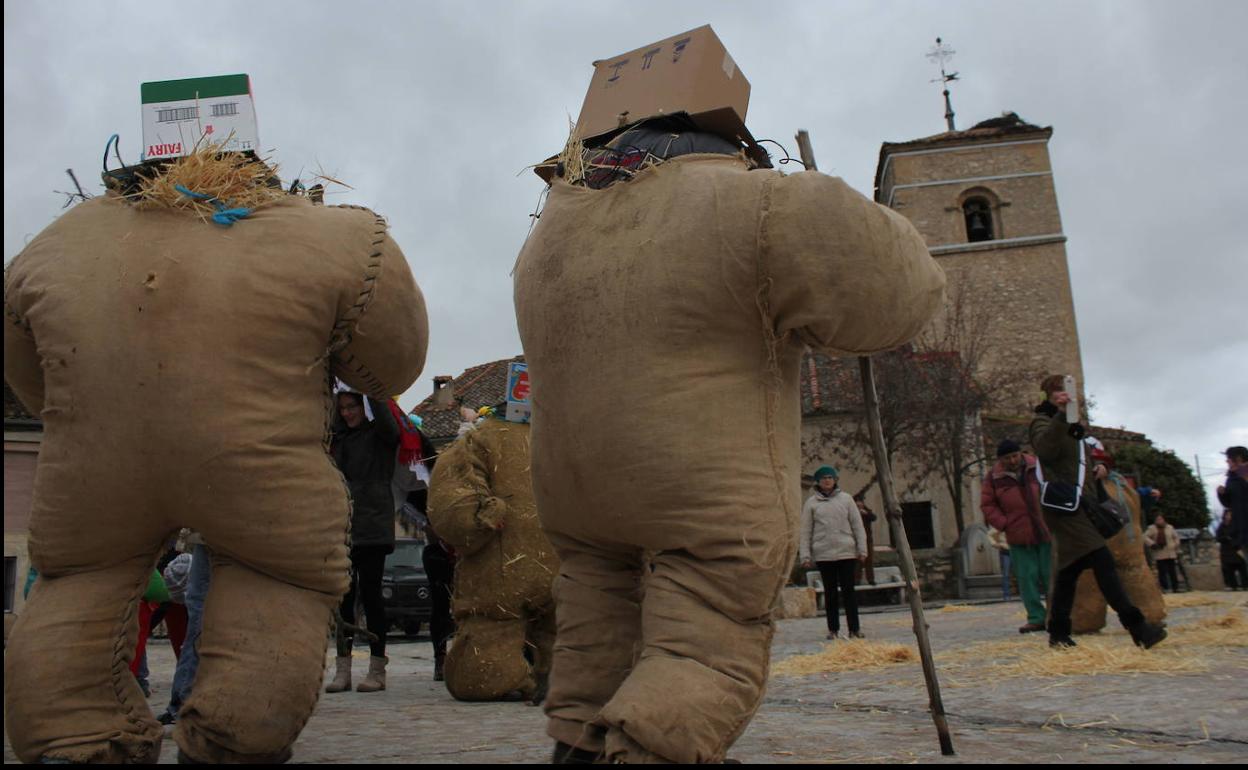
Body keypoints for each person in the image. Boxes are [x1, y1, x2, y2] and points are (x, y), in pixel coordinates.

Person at [514, 75, 944, 761]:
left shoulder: (547, 240)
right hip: (699, 482)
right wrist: (850, 213)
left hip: (574, 487)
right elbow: (897, 295)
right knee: (708, 627)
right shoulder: (758, 203)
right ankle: (649, 747)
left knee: (597, 620)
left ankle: (579, 742)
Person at [3, 113, 427, 762]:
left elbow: (31, 377)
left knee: (79, 581)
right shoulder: (335, 234)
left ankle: (75, 738)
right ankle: (233, 739)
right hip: (255, 466)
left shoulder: (58, 242)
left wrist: (100, 416)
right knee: (275, 577)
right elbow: (389, 367)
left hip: (98, 471)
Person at [427, 404, 558, 704]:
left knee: (486, 652)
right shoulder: (563, 436)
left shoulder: (480, 439)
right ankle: (562, 673)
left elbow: (454, 509)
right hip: (563, 563)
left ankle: (508, 677)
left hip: (500, 570)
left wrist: (479, 521)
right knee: (564, 630)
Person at [1028, 375, 1166, 649]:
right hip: (1063, 507)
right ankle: (1138, 629)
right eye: (1056, 391)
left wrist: (1101, 469)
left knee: (1068, 572)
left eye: (1065, 390)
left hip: (1080, 504)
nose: (1062, 395)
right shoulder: (1042, 422)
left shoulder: (1072, 424)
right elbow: (1045, 449)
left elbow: (1080, 458)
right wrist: (1059, 416)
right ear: (1047, 396)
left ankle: (1058, 633)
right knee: (1103, 562)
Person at [326, 390, 402, 694]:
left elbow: (389, 423)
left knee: (371, 598)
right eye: (342, 408)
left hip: (373, 528)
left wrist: (370, 387)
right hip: (344, 527)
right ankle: (342, 669)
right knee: (344, 599)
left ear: (363, 406)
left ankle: (376, 668)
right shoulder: (339, 440)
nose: (347, 413)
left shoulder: (380, 437)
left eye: (352, 407)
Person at [980, 439, 1051, 633]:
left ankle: (1056, 615)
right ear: (1000, 459)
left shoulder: (1038, 468)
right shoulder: (993, 478)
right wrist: (1004, 524)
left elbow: (1052, 489)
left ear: (1020, 453)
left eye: (1014, 456)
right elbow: (988, 505)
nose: (1012, 460)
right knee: (1026, 578)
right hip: (1018, 533)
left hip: (1045, 530)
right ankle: (1036, 617)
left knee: (1051, 575)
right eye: (1007, 458)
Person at [800, 467, 867, 640]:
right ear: (818, 482)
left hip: (846, 551)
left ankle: (854, 629)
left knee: (849, 591)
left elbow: (857, 525)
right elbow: (806, 530)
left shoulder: (846, 500)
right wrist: (805, 555)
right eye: (823, 478)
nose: (827, 481)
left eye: (830, 477)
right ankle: (833, 629)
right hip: (824, 553)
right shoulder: (812, 503)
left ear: (835, 480)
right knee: (830, 593)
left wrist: (862, 549)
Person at [159, 534, 212, 727]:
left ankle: (181, 704)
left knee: (199, 613)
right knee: (198, 611)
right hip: (212, 536)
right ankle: (180, 702)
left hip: (213, 534)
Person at [1217, 446, 1248, 569]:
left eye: (1228, 459)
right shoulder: (1231, 478)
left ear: (1238, 459)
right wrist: (1222, 494)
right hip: (1242, 528)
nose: (1227, 462)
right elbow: (1229, 503)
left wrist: (1243, 472)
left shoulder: (1243, 473)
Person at [1143, 514, 1181, 593]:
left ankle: (1175, 587)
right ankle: (1165, 588)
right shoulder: (1152, 528)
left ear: (1164, 520)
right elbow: (1144, 537)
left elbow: (1176, 537)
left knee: (1172, 571)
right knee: (1162, 571)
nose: (1159, 521)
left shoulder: (1169, 527)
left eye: (1160, 519)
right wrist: (1152, 544)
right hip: (1159, 552)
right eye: (1157, 519)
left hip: (1170, 552)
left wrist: (1175, 545)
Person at [1215, 510, 1246, 590]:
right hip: (1226, 550)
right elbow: (1218, 538)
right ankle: (1232, 585)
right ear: (1224, 516)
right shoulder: (1221, 526)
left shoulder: (1236, 525)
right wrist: (1226, 538)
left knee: (1242, 567)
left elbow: (1240, 535)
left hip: (1236, 549)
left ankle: (1245, 585)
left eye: (1230, 515)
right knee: (1229, 569)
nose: (1229, 516)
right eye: (1227, 515)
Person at [853, 494, 878, 585]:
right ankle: (856, 579)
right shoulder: (852, 512)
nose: (859, 504)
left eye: (860, 502)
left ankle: (871, 579)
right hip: (856, 540)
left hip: (867, 539)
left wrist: (866, 514)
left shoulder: (867, 511)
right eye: (857, 502)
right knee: (858, 560)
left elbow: (874, 517)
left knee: (869, 560)